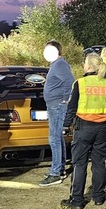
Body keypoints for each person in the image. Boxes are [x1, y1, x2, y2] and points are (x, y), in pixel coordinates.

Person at [60, 53, 106, 209]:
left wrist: (66, 126)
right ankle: (98, 197)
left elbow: (72, 107)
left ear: (90, 66)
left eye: (85, 63)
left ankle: (77, 200)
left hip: (84, 128)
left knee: (80, 164)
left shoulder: (80, 83)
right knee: (99, 163)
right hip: (102, 128)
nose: (83, 65)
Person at [38, 40, 75, 186]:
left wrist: (65, 99)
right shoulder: (56, 64)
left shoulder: (59, 64)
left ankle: (55, 173)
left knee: (54, 138)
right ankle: (59, 169)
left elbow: (70, 82)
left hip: (57, 105)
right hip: (55, 105)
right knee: (57, 137)